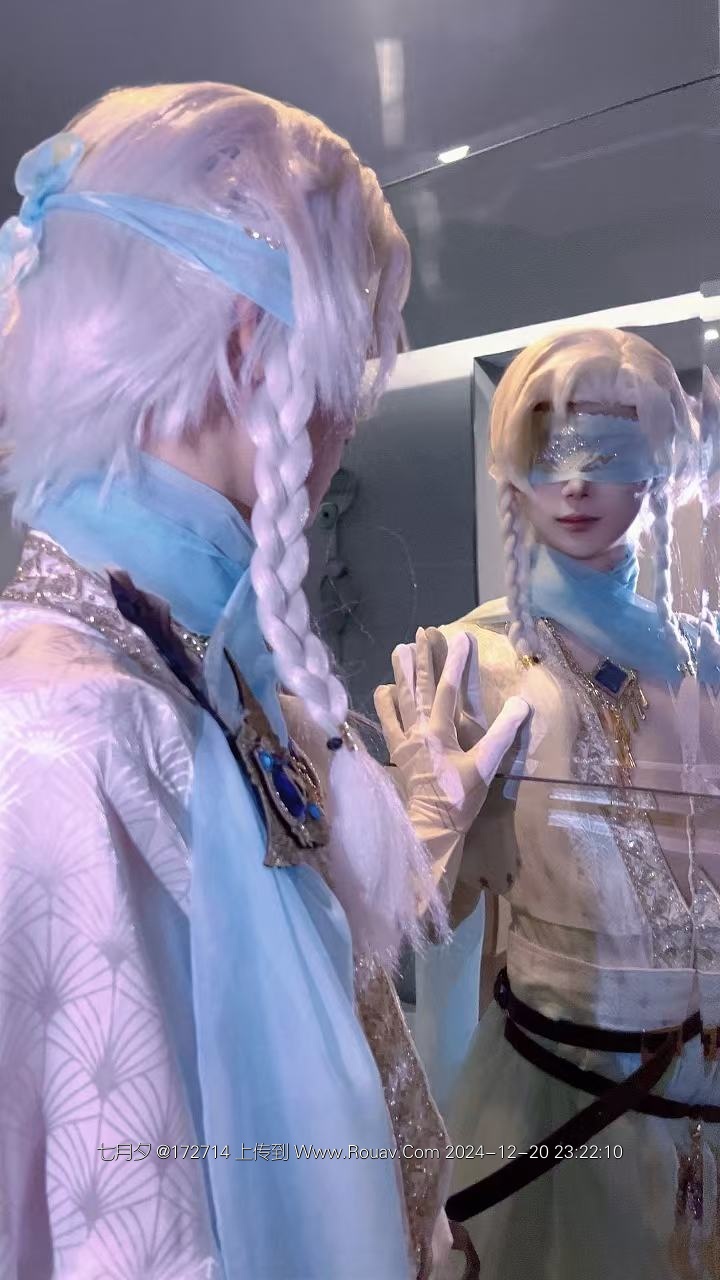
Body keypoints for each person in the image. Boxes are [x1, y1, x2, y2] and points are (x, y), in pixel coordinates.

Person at [0, 83, 454, 1280]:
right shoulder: (70, 726)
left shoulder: (178, 675)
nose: (343, 428)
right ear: (259, 350)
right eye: (346, 377)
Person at [376, 328, 720, 1279]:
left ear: (659, 464)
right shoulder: (466, 662)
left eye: (607, 450)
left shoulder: (707, 662)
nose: (573, 483)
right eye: (547, 450)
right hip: (561, 1116)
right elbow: (413, 925)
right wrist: (420, 833)